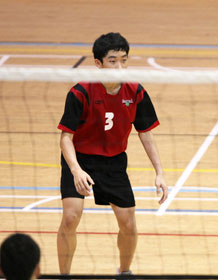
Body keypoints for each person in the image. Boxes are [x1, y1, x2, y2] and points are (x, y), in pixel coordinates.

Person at [57, 32, 168, 275]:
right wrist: (75, 170)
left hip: (114, 162)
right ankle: (63, 275)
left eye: (124, 60)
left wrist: (159, 172)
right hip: (80, 160)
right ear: (98, 63)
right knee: (70, 217)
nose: (119, 66)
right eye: (112, 61)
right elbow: (66, 138)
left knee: (128, 223)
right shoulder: (81, 92)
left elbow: (145, 133)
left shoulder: (136, 92)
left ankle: (124, 272)